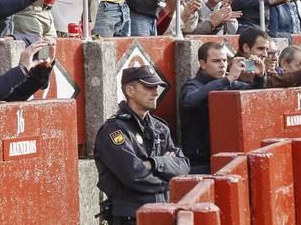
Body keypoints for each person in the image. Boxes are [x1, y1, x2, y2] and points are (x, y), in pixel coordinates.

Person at [95, 66, 190, 223]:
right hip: (131, 217)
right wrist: (169, 181)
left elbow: (184, 165)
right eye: (148, 87)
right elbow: (133, 175)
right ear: (130, 91)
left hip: (163, 211)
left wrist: (154, 163)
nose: (156, 92)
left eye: (156, 87)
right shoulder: (114, 130)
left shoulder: (160, 127)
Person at [179, 40, 264, 173]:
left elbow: (254, 94)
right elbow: (190, 100)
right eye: (216, 61)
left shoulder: (228, 83)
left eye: (224, 60)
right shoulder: (192, 85)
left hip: (230, 156)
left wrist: (259, 76)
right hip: (199, 163)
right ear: (202, 64)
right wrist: (228, 79)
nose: (222, 65)